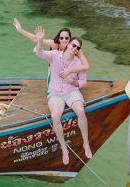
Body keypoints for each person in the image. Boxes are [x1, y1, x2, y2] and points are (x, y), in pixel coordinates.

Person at [31, 26, 93, 166]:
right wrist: (40, 40)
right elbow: (38, 52)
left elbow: (83, 81)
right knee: (54, 116)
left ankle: (86, 143)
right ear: (68, 44)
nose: (75, 48)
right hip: (55, 93)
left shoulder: (78, 63)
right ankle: (64, 148)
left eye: (77, 47)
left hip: (71, 91)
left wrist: (73, 81)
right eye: (73, 45)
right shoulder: (55, 55)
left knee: (81, 111)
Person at [12, 17, 90, 76]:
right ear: (58, 38)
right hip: (53, 70)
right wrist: (20, 30)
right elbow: (36, 39)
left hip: (68, 70)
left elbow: (86, 66)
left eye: (66, 38)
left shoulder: (75, 48)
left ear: (70, 39)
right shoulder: (54, 44)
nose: (64, 40)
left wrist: (70, 70)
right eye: (61, 38)